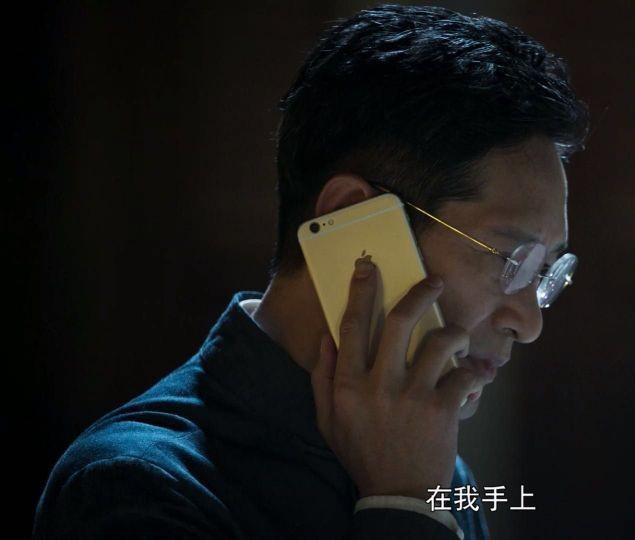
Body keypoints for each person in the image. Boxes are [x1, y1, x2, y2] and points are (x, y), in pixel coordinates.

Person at [33, 4, 588, 539]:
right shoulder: (137, 486)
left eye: (545, 271)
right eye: (511, 260)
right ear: (352, 218)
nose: (528, 322)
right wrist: (403, 509)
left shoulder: (433, 467)